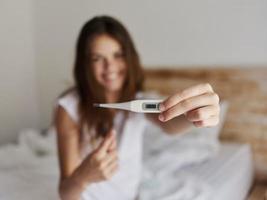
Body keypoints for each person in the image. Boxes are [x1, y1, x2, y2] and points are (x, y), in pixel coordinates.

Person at [54, 15, 220, 200]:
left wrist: (193, 114)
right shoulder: (68, 107)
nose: (110, 67)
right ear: (85, 64)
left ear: (129, 57)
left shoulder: (139, 102)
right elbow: (66, 194)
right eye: (97, 58)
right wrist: (82, 177)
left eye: (118, 55)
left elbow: (170, 125)